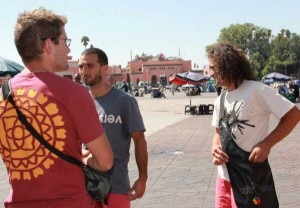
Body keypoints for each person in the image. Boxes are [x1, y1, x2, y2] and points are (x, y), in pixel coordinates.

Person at [0, 8, 113, 208]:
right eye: (65, 41)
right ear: (48, 45)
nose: (69, 49)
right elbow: (105, 161)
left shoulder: (3, 95)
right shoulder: (73, 93)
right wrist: (85, 160)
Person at [209, 42, 300, 208]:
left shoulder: (257, 90)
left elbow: (293, 115)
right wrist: (215, 147)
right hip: (224, 179)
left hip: (250, 179)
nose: (210, 73)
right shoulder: (220, 100)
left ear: (226, 65)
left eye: (213, 67)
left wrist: (266, 144)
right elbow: (218, 132)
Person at [78, 48, 148, 208]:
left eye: (90, 66)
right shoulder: (79, 102)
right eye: (81, 66)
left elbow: (140, 141)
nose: (84, 71)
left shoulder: (125, 101)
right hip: (83, 189)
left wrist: (142, 178)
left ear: (104, 68)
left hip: (115, 187)